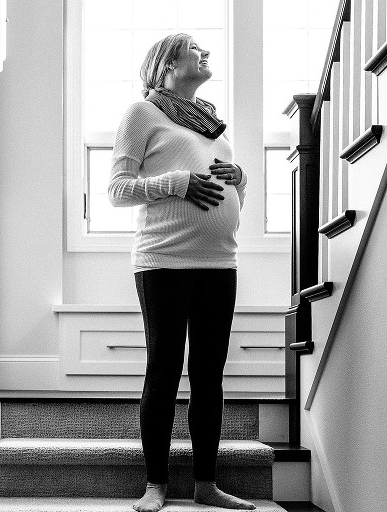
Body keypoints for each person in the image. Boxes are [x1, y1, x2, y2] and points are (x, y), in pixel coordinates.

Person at [108, 33, 256, 512]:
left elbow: (228, 196)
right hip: (164, 262)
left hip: (220, 262)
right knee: (165, 369)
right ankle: (155, 485)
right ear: (168, 61)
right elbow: (117, 190)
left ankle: (206, 484)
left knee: (209, 375)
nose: (206, 52)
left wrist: (240, 181)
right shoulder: (142, 114)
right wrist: (178, 182)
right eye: (195, 48)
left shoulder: (212, 125)